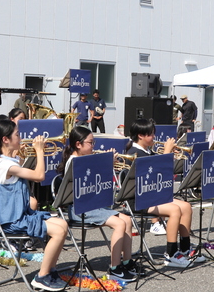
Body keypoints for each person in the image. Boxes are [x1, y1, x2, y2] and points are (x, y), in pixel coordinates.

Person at [0, 119, 69, 292]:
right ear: (5, 139)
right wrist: (39, 151)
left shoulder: (10, 160)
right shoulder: (5, 164)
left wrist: (21, 154)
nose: (21, 138)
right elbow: (39, 176)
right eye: (17, 135)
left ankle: (50, 270)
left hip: (21, 214)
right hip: (12, 219)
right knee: (58, 231)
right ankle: (41, 277)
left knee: (63, 224)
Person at [57, 127, 136, 281]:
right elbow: (86, 185)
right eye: (90, 143)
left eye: (94, 142)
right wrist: (105, 163)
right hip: (80, 208)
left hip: (92, 205)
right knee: (120, 224)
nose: (93, 146)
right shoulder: (74, 162)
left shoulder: (86, 159)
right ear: (78, 144)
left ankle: (127, 262)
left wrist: (107, 164)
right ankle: (115, 268)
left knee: (127, 220)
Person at [126, 119, 199, 268]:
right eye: (151, 134)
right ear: (140, 135)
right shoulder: (134, 154)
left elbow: (163, 174)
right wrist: (166, 153)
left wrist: (170, 155)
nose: (154, 137)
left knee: (186, 206)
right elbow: (154, 173)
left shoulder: (148, 151)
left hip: (152, 196)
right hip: (140, 200)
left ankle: (185, 248)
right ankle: (171, 254)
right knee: (175, 210)